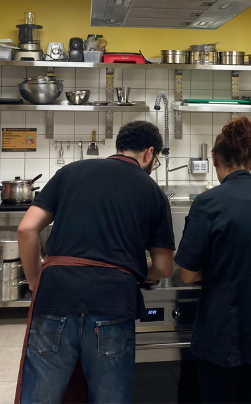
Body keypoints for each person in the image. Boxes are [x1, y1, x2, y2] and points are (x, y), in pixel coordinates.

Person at [14, 120, 175, 404]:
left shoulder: (70, 172)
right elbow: (163, 267)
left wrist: (36, 279)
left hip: (56, 295)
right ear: (149, 153)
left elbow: (26, 229)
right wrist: (133, 272)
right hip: (112, 300)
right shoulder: (153, 192)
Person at [175, 117, 251, 404]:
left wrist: (218, 268)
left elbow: (188, 274)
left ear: (214, 159)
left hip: (221, 329)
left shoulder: (208, 203)